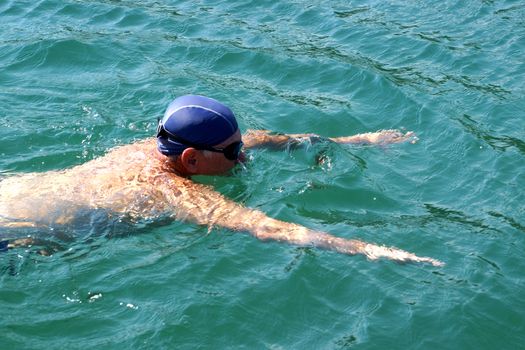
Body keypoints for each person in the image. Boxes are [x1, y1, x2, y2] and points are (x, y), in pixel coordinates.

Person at [0, 95, 442, 266]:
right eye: (233, 152)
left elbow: (263, 139)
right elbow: (267, 228)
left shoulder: (151, 147)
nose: (244, 154)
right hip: (13, 232)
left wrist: (356, 140)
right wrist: (371, 249)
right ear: (191, 160)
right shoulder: (173, 191)